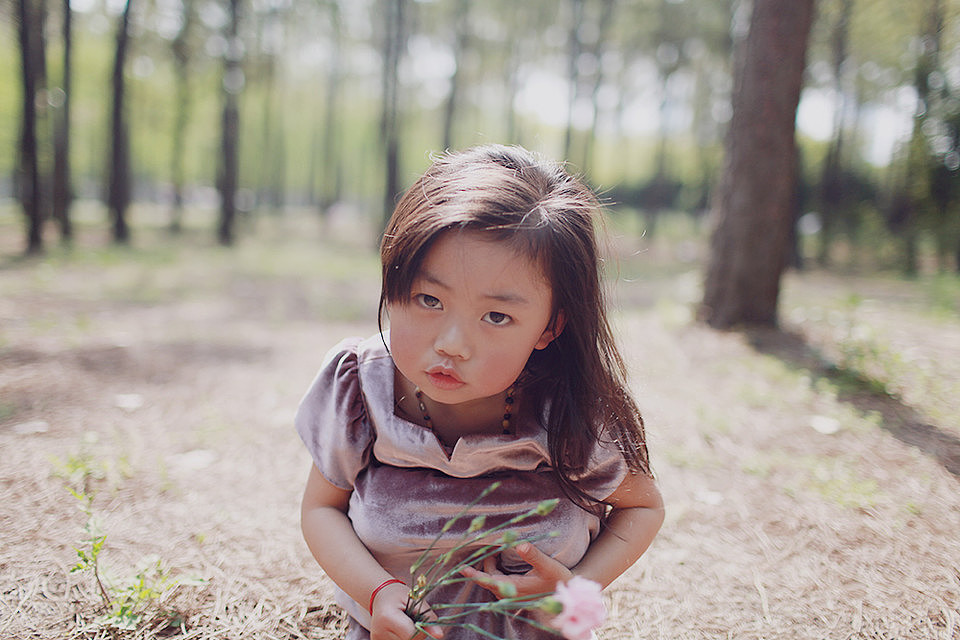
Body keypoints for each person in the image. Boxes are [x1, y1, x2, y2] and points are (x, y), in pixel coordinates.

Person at [296, 144, 664, 640]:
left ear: (549, 328)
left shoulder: (569, 410)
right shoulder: (360, 389)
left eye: (496, 316)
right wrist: (377, 593)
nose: (452, 344)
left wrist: (577, 590)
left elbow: (642, 506)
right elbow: (321, 508)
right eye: (429, 299)